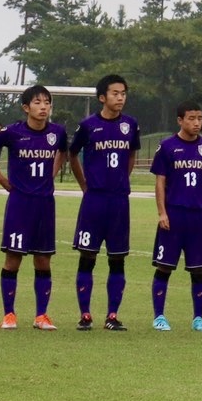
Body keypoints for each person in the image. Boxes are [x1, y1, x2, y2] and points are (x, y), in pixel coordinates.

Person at [0, 84, 66, 330]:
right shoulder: (13, 132)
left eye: (47, 102)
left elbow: (63, 151)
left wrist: (53, 172)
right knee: (13, 260)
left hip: (45, 204)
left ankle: (41, 315)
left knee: (43, 260)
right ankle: (9, 314)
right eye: (38, 103)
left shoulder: (57, 132)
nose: (43, 107)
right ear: (26, 107)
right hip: (20, 203)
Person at [68, 74, 140, 331]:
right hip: (94, 200)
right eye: (114, 93)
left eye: (123, 93)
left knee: (117, 258)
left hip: (119, 201)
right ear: (102, 97)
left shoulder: (131, 125)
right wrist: (84, 184)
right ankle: (85, 314)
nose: (120, 97)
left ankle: (112, 315)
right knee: (87, 256)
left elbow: (132, 153)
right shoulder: (88, 126)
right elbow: (72, 153)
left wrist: (123, 179)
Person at [148, 101, 202, 331]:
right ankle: (159, 316)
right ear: (180, 120)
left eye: (199, 118)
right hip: (173, 215)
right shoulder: (167, 147)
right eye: (191, 118)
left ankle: (198, 318)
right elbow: (160, 181)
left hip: (197, 217)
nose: (197, 122)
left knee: (199, 269)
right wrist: (162, 212)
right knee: (164, 266)